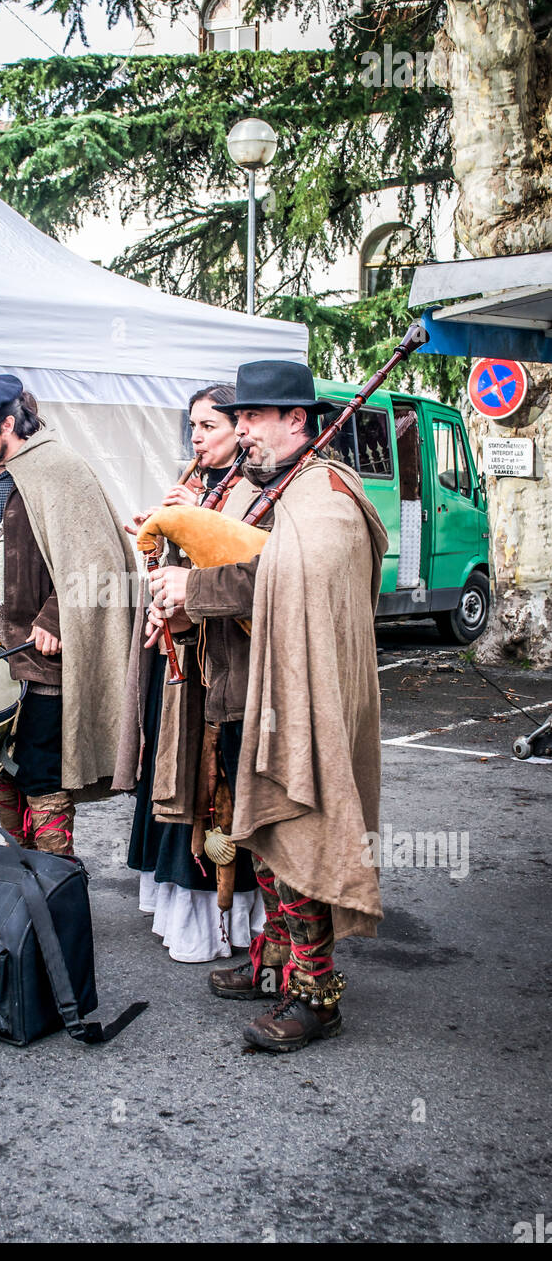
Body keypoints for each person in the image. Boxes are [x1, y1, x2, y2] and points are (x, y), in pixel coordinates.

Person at [146, 360, 388, 1052]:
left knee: (293, 839)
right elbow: (247, 560)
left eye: (253, 417)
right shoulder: (270, 485)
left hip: (295, 701)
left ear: (296, 420)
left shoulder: (326, 493)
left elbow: (286, 574)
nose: (242, 429)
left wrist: (195, 587)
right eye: (240, 417)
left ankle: (315, 999)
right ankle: (273, 965)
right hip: (241, 692)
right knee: (255, 837)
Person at [0, 374, 135, 856]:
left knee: (41, 769)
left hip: (39, 660)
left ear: (8, 424)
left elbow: (96, 562)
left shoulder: (61, 470)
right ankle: (17, 874)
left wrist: (56, 620)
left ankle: (52, 877)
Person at [115, 384, 265, 962]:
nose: (198, 438)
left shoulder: (254, 492)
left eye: (211, 426)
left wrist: (193, 522)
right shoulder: (200, 485)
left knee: (211, 781)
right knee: (169, 767)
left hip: (218, 665)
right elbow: (169, 569)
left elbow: (244, 572)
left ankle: (221, 918)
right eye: (194, 427)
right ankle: (174, 897)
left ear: (239, 430)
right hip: (177, 653)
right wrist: (160, 533)